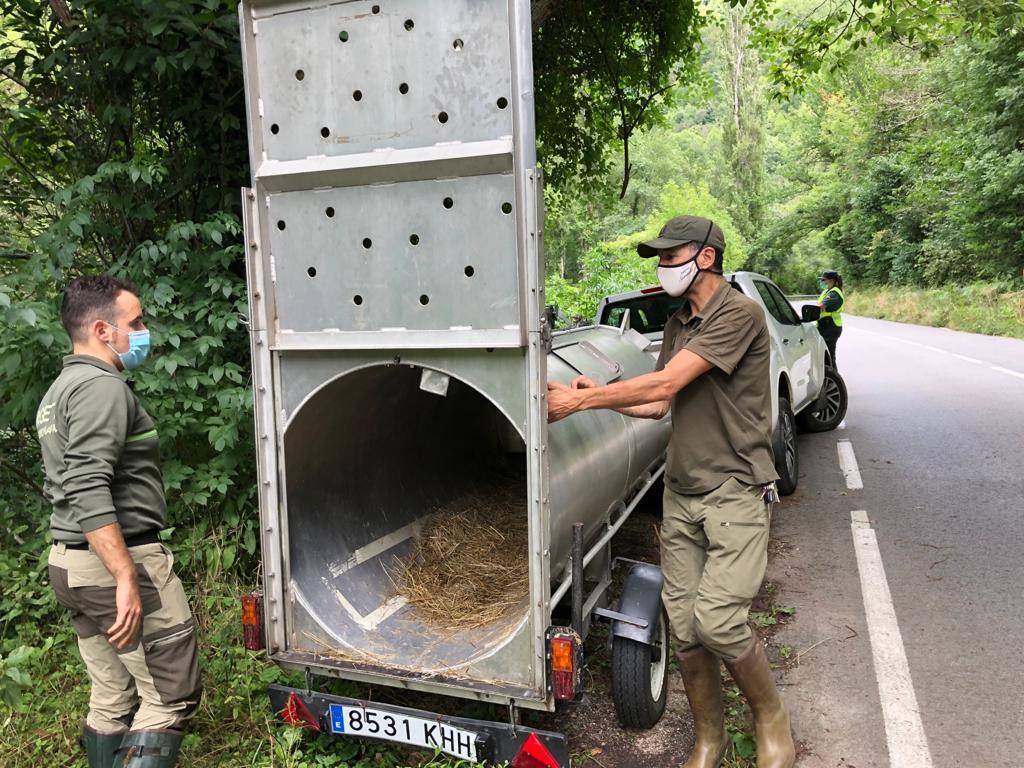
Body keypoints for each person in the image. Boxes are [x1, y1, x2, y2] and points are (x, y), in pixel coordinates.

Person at [547, 216, 795, 768]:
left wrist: (576, 405)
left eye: (670, 255)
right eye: (658, 257)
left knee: (720, 622)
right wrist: (598, 392)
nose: (662, 266)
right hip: (682, 494)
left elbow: (665, 383)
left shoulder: (739, 314)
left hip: (733, 491)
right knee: (685, 630)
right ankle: (711, 738)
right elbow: (657, 405)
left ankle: (771, 718)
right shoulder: (680, 320)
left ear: (705, 257)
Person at [36, 275, 201, 768]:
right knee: (170, 696)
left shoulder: (60, 390)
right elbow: (88, 485)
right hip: (114, 562)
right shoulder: (100, 388)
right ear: (104, 330)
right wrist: (126, 573)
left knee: (111, 695)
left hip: (72, 565)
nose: (144, 331)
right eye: (137, 322)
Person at [815, 270, 844, 370]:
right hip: (825, 326)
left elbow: (820, 306)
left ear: (832, 281)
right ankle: (829, 379)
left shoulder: (834, 294)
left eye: (824, 280)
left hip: (831, 327)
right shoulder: (827, 291)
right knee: (826, 356)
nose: (822, 282)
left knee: (829, 357)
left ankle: (833, 381)